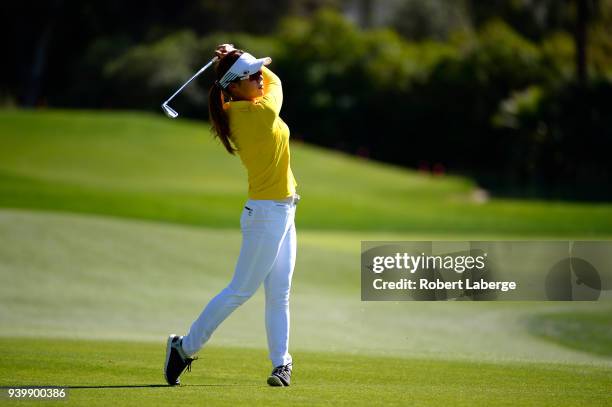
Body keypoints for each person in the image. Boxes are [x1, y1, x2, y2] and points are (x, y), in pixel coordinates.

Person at [164, 44, 298, 387]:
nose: (257, 77)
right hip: (267, 216)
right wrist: (238, 52)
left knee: (279, 293)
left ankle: (281, 364)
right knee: (240, 291)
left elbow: (257, 77)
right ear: (234, 86)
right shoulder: (258, 114)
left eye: (256, 73)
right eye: (249, 75)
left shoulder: (239, 106)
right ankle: (184, 347)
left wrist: (236, 58)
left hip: (284, 211)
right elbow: (277, 81)